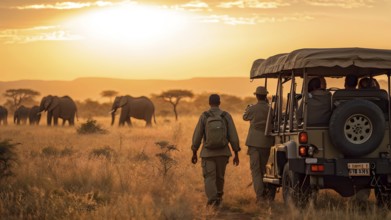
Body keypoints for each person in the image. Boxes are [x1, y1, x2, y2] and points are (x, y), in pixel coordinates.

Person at [191, 94, 241, 208]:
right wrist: (236, 153)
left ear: (209, 103)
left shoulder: (204, 116)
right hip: (223, 153)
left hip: (207, 153)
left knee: (209, 177)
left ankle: (212, 200)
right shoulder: (226, 115)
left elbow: (197, 135)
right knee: (220, 176)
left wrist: (194, 151)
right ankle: (219, 197)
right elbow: (233, 135)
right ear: (219, 102)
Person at [243, 86, 274, 203]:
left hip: (254, 143)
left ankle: (260, 197)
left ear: (256, 95)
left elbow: (245, 117)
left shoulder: (253, 108)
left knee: (256, 171)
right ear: (266, 96)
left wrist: (247, 108)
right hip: (266, 143)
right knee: (263, 170)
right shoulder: (271, 109)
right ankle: (266, 194)